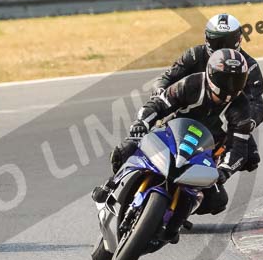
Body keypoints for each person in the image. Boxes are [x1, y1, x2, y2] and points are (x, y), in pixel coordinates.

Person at [92, 50, 254, 239]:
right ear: (211, 74)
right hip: (169, 136)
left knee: (217, 200)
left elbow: (239, 146)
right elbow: (158, 104)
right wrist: (142, 123)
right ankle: (110, 186)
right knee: (125, 149)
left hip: (202, 153)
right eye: (225, 79)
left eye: (237, 80)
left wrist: (225, 170)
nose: (230, 86)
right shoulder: (192, 84)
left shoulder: (242, 106)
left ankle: (176, 218)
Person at [152, 13, 263, 172]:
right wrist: (160, 94)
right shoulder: (194, 55)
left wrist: (248, 122)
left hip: (223, 117)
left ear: (239, 40)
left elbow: (257, 103)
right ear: (207, 39)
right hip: (187, 109)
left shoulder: (248, 66)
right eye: (216, 42)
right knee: (143, 130)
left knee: (250, 158)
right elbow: (166, 78)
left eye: (227, 43)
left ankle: (213, 177)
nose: (221, 47)